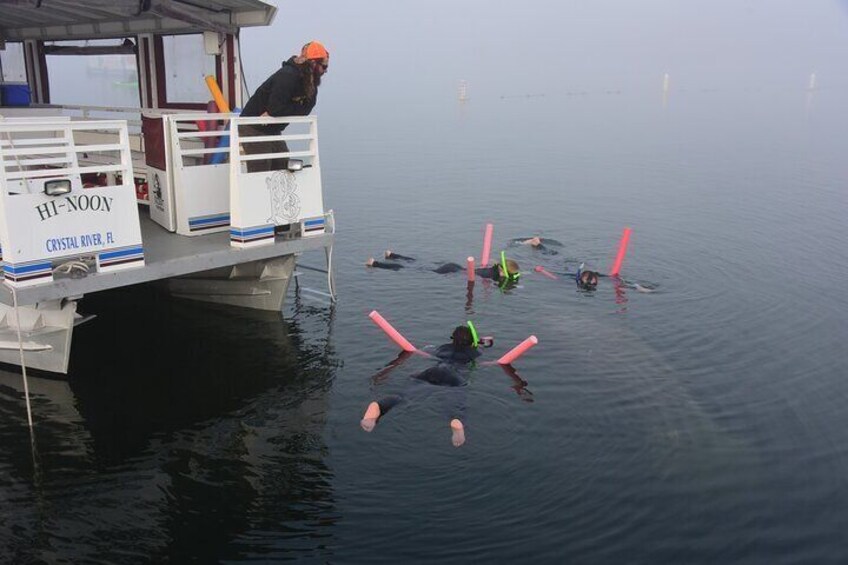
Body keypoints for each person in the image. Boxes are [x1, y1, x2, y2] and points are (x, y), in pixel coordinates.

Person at [361, 324, 487, 447]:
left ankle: (379, 406)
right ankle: (456, 421)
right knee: (456, 402)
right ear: (472, 342)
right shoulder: (475, 353)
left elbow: (427, 351)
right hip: (453, 376)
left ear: (452, 339)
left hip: (432, 371)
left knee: (403, 395)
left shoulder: (441, 348)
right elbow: (481, 361)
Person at [239, 40, 330, 172]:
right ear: (313, 63)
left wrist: (277, 112)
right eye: (324, 67)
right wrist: (291, 107)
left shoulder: (309, 81)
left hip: (272, 128)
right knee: (261, 170)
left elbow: (306, 109)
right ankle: (257, 191)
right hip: (253, 126)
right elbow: (276, 108)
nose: (325, 71)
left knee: (282, 164)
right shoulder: (287, 75)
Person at [367, 250, 521, 287]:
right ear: (502, 271)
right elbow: (504, 279)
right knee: (409, 269)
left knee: (419, 264)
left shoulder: (493, 269)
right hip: (451, 271)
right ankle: (375, 264)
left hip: (455, 266)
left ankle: (392, 254)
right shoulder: (495, 276)